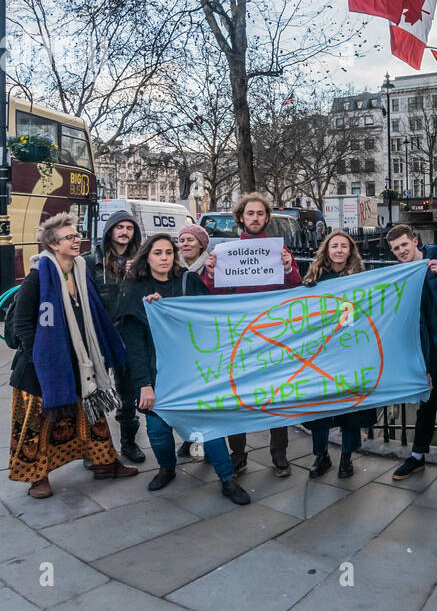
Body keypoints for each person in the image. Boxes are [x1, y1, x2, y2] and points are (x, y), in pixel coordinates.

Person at [115, 234, 250, 505]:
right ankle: (167, 468)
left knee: (208, 426)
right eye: (157, 253)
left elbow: (210, 320)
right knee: (157, 430)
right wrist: (144, 384)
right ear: (147, 257)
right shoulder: (135, 290)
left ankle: (227, 479)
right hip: (157, 375)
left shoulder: (189, 281)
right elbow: (135, 345)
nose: (164, 258)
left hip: (192, 372)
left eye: (168, 252)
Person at [9, 213, 136, 498]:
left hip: (79, 361)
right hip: (41, 367)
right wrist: (42, 358)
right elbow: (22, 323)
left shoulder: (80, 271)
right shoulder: (38, 277)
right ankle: (37, 477)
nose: (76, 240)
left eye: (77, 235)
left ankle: (105, 462)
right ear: (53, 245)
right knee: (37, 423)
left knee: (93, 414)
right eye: (69, 237)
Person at [204, 191, 301, 477]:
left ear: (266, 217)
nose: (255, 218)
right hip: (240, 336)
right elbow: (213, 294)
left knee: (277, 396)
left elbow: (296, 288)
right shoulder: (227, 252)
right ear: (241, 218)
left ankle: (279, 453)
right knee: (238, 398)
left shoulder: (281, 251)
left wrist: (288, 268)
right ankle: (238, 454)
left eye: (260, 213)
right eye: (250, 213)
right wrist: (211, 273)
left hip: (273, 335)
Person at [385, 224, 437, 483]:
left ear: (415, 241)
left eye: (404, 245)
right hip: (432, 348)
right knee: (428, 402)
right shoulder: (401, 275)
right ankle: (417, 455)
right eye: (396, 249)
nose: (401, 251)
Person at [302, 231, 375, 479]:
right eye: (335, 246)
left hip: (350, 350)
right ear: (327, 249)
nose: (339, 250)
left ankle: (346, 457)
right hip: (322, 351)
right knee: (319, 405)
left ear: (350, 250)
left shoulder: (360, 277)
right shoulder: (315, 276)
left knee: (350, 407)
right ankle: (321, 455)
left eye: (344, 246)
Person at [84, 209, 145, 464]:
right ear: (110, 231)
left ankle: (128, 443)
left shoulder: (142, 260)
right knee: (94, 392)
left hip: (128, 336)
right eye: (119, 227)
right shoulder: (90, 261)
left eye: (129, 228)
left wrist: (137, 273)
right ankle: (94, 448)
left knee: (127, 393)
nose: (124, 232)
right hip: (100, 336)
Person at [175, 224, 213, 458]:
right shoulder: (172, 267)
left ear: (201, 244)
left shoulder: (212, 267)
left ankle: (210, 441)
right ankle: (190, 437)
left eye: (190, 239)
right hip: (181, 339)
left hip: (205, 338)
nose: (185, 244)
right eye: (182, 240)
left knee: (206, 394)